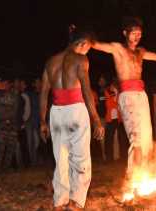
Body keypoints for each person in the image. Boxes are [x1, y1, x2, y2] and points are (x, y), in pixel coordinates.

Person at [92, 17, 156, 177]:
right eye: (134, 33)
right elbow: (96, 45)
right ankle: (133, 177)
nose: (137, 36)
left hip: (141, 96)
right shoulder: (117, 48)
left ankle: (144, 174)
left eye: (140, 33)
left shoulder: (141, 52)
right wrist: (79, 37)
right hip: (128, 96)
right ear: (125, 33)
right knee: (136, 137)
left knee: (146, 138)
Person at [40, 29, 105, 211]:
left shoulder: (50, 61)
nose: (87, 52)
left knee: (60, 157)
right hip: (75, 110)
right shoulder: (80, 59)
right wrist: (96, 119)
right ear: (82, 44)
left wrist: (42, 121)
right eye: (88, 48)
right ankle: (76, 202)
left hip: (56, 112)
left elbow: (44, 92)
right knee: (80, 157)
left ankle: (60, 201)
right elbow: (86, 89)